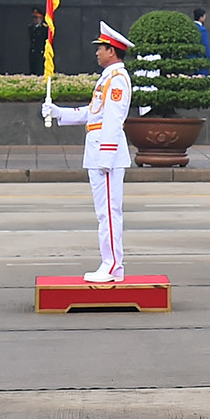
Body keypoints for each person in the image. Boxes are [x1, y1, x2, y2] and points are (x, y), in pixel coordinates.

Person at [43, 23, 134, 281]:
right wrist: (59, 112)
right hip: (97, 151)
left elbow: (114, 120)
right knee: (103, 213)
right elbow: (92, 113)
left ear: (112, 51)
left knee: (109, 212)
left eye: (101, 48)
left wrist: (106, 155)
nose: (97, 53)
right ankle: (110, 263)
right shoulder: (107, 79)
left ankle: (113, 264)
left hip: (107, 154)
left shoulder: (117, 80)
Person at [28, 7, 48, 75]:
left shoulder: (44, 29)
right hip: (33, 52)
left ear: (41, 18)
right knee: (32, 70)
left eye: (36, 17)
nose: (34, 19)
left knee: (39, 70)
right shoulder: (31, 28)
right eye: (33, 17)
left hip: (40, 52)